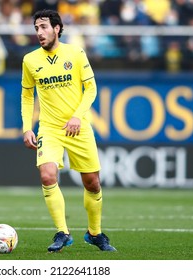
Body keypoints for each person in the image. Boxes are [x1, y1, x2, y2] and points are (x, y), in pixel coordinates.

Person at [20, 9, 116, 253]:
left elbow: (91, 89)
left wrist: (77, 116)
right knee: (47, 176)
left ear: (57, 28)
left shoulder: (75, 53)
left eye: (43, 27)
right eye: (36, 28)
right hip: (49, 128)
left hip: (78, 126)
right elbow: (26, 96)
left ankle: (95, 233)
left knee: (92, 183)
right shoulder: (30, 60)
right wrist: (27, 128)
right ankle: (62, 232)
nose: (39, 33)